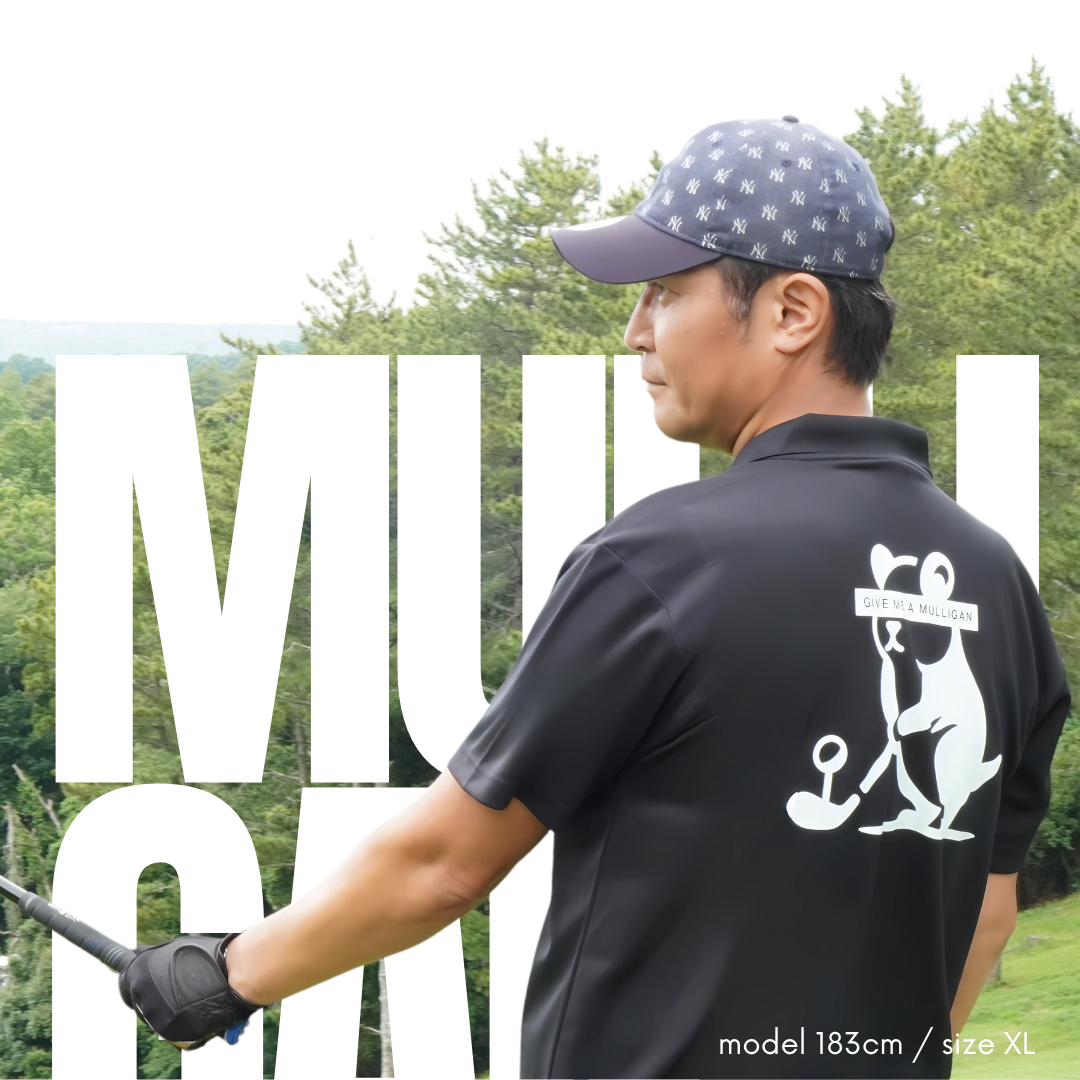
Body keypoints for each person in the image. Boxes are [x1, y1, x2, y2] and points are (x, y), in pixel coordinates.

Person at [121, 117, 1069, 1078]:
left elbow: (445, 864)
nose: (636, 331)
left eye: (667, 292)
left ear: (793, 312)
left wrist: (227, 975)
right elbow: (987, 912)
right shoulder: (998, 587)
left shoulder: (663, 563)